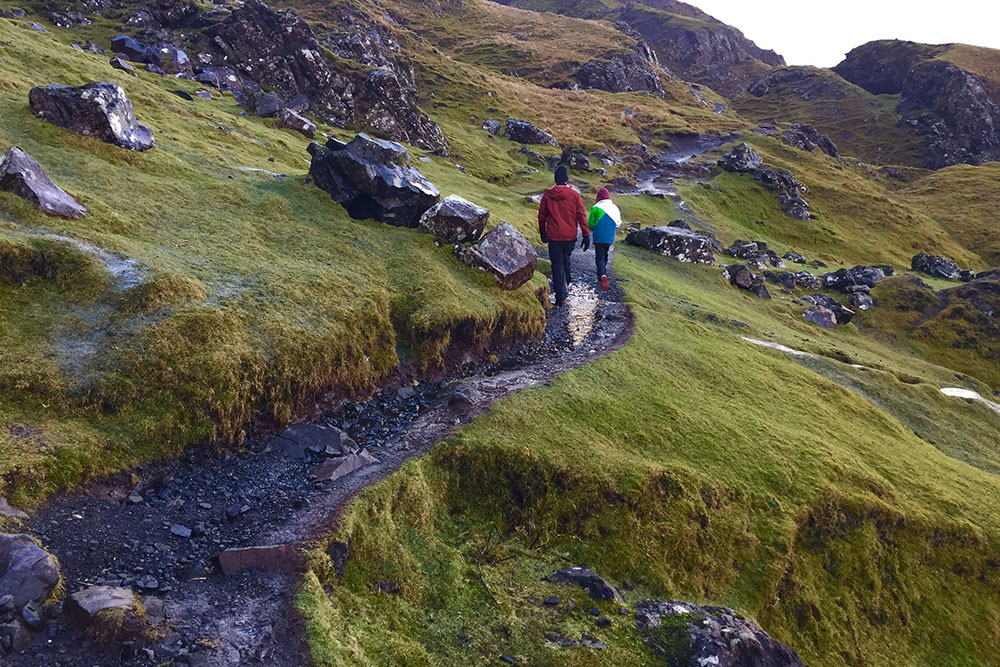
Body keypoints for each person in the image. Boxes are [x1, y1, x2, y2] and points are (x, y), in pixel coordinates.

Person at [538, 165, 590, 305]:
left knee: (557, 263)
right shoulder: (574, 195)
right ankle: (565, 283)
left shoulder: (548, 195)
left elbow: (542, 215)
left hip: (554, 236)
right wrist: (586, 234)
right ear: (566, 179)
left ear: (555, 179)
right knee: (565, 258)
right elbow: (581, 215)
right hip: (570, 236)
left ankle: (561, 295)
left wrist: (543, 231)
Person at [587, 187, 621, 291]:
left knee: (599, 255)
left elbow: (591, 224)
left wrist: (593, 228)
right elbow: (618, 223)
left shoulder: (595, 208)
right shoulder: (614, 207)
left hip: (599, 235)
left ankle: (601, 275)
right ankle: (604, 272)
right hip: (610, 235)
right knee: (605, 253)